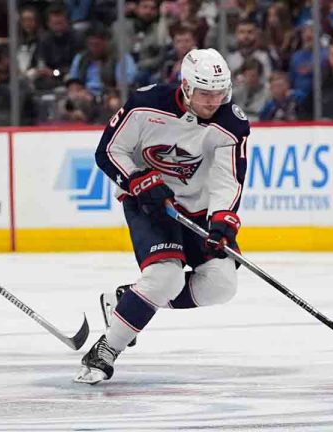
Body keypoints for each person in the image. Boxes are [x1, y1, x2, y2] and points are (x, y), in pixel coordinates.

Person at [75, 48, 248, 384]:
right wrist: (137, 180)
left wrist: (222, 220)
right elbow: (109, 150)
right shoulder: (146, 105)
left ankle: (129, 301)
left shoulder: (231, 124)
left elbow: (228, 179)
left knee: (221, 285)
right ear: (186, 86)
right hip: (149, 204)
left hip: (196, 208)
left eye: (219, 93)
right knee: (165, 278)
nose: (214, 101)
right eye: (205, 93)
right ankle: (105, 350)